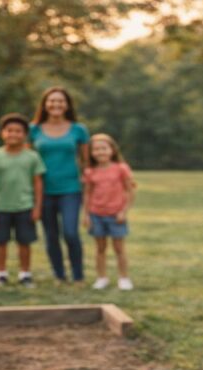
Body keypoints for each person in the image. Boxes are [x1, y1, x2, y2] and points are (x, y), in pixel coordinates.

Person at [29, 87, 90, 284]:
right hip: (43, 190)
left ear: (67, 105)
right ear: (45, 105)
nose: (56, 105)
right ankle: (59, 275)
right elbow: (28, 161)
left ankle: (78, 275)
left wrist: (88, 185)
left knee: (71, 232)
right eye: (52, 101)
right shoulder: (34, 130)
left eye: (60, 101)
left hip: (71, 189)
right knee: (51, 235)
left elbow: (86, 162)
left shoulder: (78, 129)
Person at [0, 113, 46, 288]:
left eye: (18, 131)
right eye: (9, 131)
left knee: (24, 242)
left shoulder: (32, 157)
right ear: (3, 133)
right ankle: (1, 273)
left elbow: (38, 184)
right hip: (1, 207)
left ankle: (25, 274)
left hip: (25, 206)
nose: (13, 134)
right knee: (0, 242)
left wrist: (37, 207)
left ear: (24, 134)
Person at [82, 134, 136, 290]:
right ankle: (101, 278)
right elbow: (87, 193)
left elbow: (130, 191)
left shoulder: (121, 168)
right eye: (96, 149)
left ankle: (124, 278)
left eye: (104, 148)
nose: (100, 152)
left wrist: (124, 211)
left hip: (116, 215)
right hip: (96, 214)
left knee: (119, 248)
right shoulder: (90, 171)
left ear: (112, 150)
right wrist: (85, 214)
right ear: (91, 152)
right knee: (100, 248)